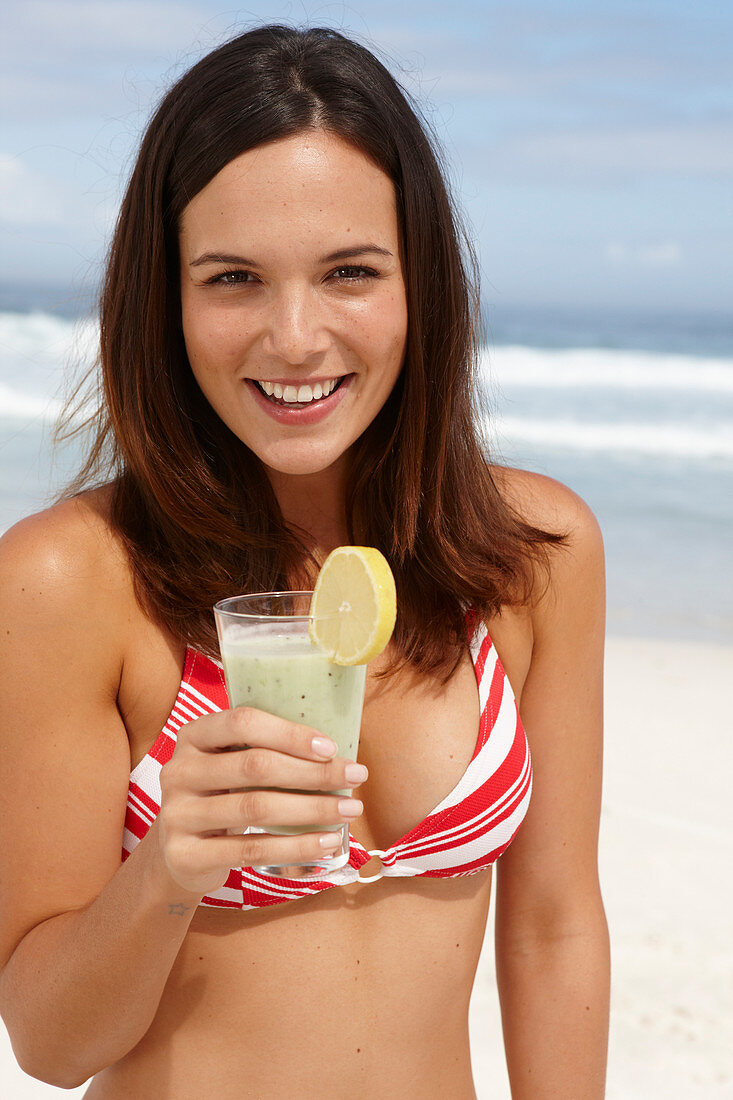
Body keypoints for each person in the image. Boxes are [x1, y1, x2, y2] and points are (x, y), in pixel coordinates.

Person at [0, 24, 610, 1099]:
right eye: (232, 277)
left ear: (418, 283)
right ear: (167, 299)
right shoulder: (70, 581)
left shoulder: (532, 556)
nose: (293, 336)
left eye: (348, 272)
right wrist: (167, 872)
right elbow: (50, 1042)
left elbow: (554, 929)